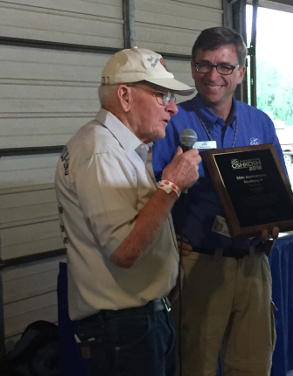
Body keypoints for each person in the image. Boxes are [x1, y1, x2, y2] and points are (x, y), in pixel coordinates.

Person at [55, 47, 201, 376]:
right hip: (126, 327)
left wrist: (165, 242)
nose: (173, 108)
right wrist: (172, 186)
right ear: (125, 96)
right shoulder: (102, 152)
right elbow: (124, 250)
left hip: (135, 324)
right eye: (162, 95)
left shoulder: (120, 148)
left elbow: (131, 226)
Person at [152, 27, 287, 376]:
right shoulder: (172, 122)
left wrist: (276, 220)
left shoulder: (260, 122)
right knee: (193, 365)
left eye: (225, 67)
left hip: (255, 263)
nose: (213, 76)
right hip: (199, 264)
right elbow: (150, 192)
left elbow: (279, 187)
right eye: (204, 65)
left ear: (240, 72)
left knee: (253, 366)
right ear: (193, 67)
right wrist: (168, 242)